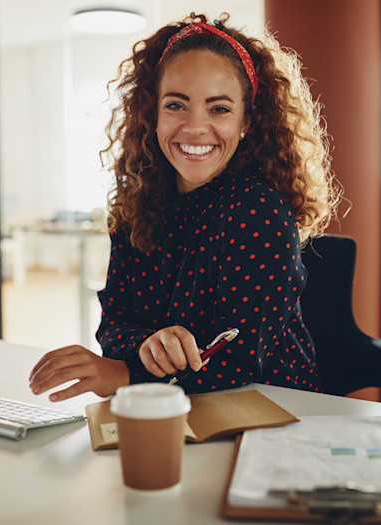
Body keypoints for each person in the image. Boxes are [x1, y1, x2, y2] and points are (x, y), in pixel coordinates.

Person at [29, 12, 341, 402]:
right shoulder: (136, 205)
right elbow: (113, 327)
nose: (194, 127)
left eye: (219, 109)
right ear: (153, 113)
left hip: (272, 409)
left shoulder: (259, 210)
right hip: (173, 408)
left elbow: (240, 361)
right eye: (176, 105)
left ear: (246, 121)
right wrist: (148, 344)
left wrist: (126, 374)